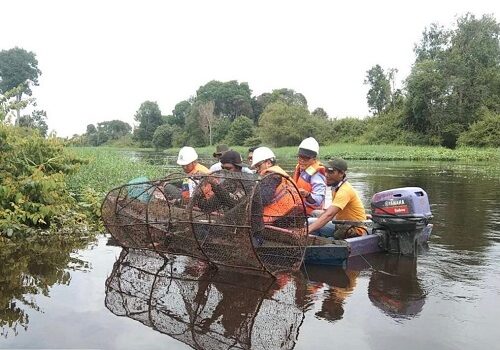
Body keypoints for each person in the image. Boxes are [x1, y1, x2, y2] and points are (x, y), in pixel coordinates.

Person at [307, 158, 367, 239]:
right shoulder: (336, 186)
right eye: (326, 171)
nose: (326, 175)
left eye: (331, 172)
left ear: (341, 173)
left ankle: (317, 242)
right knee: (315, 213)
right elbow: (330, 211)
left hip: (353, 229)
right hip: (342, 222)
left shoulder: (344, 191)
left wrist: (306, 230)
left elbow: (329, 215)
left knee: (308, 223)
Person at [251, 147, 301, 223]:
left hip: (283, 218)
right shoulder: (278, 173)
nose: (257, 170)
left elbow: (263, 199)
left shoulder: (272, 176)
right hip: (292, 214)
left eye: (258, 166)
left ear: (268, 163)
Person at [293, 137, 326, 216]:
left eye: (306, 158)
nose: (302, 160)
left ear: (314, 159)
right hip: (299, 210)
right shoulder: (300, 169)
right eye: (300, 157)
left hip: (311, 214)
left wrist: (307, 195)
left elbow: (318, 200)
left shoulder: (316, 175)